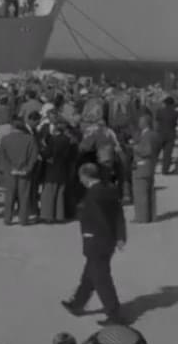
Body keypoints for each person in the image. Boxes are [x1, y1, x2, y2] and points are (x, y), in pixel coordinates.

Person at [62, 163, 126, 326]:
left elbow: (90, 218)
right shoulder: (110, 188)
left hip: (96, 240)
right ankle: (78, 303)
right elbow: (118, 214)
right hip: (109, 240)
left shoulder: (92, 195)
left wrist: (87, 234)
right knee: (90, 274)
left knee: (101, 279)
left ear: (85, 176)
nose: (80, 180)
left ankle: (114, 315)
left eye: (81, 177)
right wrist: (120, 236)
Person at [0, 118, 40, 226]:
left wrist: (9, 168)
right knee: (24, 196)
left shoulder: (5, 139)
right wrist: (28, 168)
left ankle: (8, 218)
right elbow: (34, 156)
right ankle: (23, 219)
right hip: (24, 171)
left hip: (10, 172)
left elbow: (2, 156)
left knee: (9, 195)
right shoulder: (30, 139)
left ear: (12, 127)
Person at [40, 120, 73, 223]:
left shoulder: (53, 140)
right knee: (59, 194)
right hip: (63, 168)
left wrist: (42, 149)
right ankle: (59, 215)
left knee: (49, 193)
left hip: (52, 168)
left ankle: (48, 216)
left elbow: (47, 153)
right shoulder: (67, 139)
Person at [131, 114, 160, 223]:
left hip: (142, 166)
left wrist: (135, 148)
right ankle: (151, 216)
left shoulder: (146, 135)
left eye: (140, 122)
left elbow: (147, 151)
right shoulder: (154, 134)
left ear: (144, 123)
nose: (138, 124)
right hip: (150, 165)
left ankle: (142, 217)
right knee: (149, 192)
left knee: (140, 193)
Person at [154, 96, 177, 175]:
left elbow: (157, 121)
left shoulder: (160, 111)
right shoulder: (175, 113)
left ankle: (152, 168)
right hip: (171, 134)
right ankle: (165, 171)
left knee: (156, 152)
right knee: (167, 154)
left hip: (160, 134)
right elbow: (175, 123)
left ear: (165, 103)